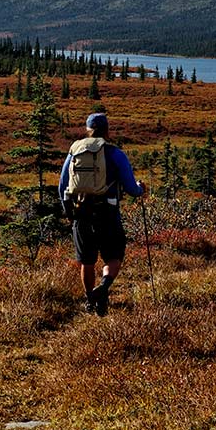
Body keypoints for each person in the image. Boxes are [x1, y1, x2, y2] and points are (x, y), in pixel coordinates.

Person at [59, 112, 146, 316]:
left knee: (87, 261)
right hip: (107, 213)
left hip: (81, 213)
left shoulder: (74, 151)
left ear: (87, 129)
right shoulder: (115, 153)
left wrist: (69, 211)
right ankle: (103, 288)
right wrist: (141, 189)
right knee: (113, 257)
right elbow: (131, 188)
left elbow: (63, 185)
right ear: (107, 130)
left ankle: (91, 300)